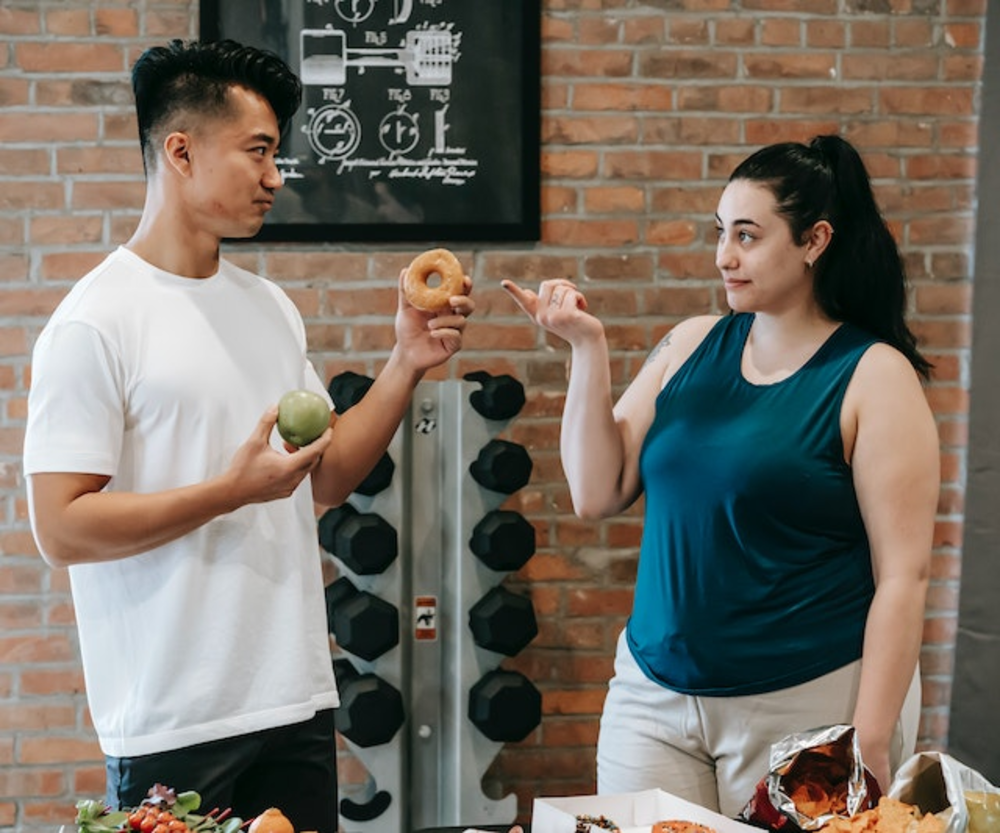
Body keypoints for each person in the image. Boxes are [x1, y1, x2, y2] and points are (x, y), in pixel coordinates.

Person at [22, 39, 474, 833]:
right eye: (258, 152)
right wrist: (229, 492)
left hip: (291, 697)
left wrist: (406, 360)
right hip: (172, 723)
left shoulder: (269, 307)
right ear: (182, 151)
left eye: (278, 154)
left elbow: (324, 478)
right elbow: (61, 528)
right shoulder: (94, 322)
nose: (276, 175)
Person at [503, 135, 939, 817]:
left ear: (813, 241)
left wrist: (871, 737)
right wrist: (586, 348)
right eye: (720, 232)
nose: (723, 256)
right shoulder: (690, 344)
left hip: (803, 700)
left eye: (747, 235)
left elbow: (904, 577)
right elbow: (595, 490)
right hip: (653, 693)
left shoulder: (873, 376)